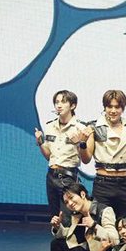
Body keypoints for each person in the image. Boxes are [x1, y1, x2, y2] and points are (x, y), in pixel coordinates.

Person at [78, 90, 126, 218]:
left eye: (117, 107)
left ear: (122, 108)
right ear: (105, 107)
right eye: (109, 107)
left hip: (124, 184)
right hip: (103, 184)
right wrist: (82, 143)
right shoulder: (94, 127)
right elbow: (86, 159)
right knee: (101, 223)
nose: (113, 111)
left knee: (125, 223)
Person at [35, 90, 85, 218]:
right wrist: (40, 142)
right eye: (56, 102)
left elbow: (85, 158)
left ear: (73, 105)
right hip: (51, 175)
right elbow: (48, 156)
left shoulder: (80, 128)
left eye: (63, 102)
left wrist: (79, 143)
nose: (59, 105)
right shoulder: (50, 126)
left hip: (68, 176)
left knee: (69, 216)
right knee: (54, 216)